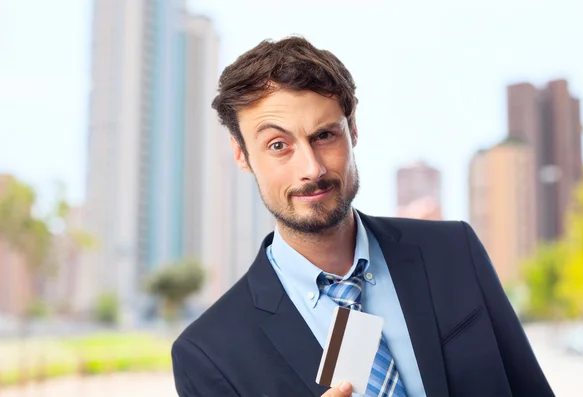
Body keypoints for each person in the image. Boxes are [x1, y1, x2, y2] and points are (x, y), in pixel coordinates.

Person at [171, 36, 554, 397]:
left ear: (352, 131)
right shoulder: (208, 353)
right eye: (278, 145)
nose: (312, 168)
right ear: (242, 155)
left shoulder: (454, 253)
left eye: (324, 135)